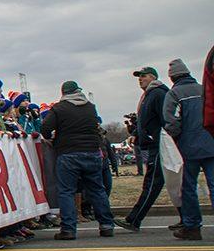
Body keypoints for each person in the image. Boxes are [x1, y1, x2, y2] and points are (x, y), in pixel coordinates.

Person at [41, 80, 114, 240]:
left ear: (64, 93)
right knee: (97, 189)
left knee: (67, 191)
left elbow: (45, 127)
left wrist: (50, 139)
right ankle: (106, 225)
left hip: (68, 152)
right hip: (92, 151)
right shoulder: (90, 107)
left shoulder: (59, 108)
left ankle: (68, 229)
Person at [162, 59, 214, 240]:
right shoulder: (203, 89)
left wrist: (175, 139)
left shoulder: (174, 94)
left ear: (172, 77)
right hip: (211, 143)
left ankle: (192, 226)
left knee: (188, 188)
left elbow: (172, 121)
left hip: (187, 147)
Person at [116, 66, 170, 232]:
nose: (140, 79)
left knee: (152, 183)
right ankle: (188, 219)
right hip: (155, 143)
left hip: (160, 145)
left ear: (153, 77)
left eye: (144, 76)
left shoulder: (158, 94)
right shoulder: (148, 95)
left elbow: (165, 119)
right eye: (139, 77)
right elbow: (145, 120)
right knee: (172, 183)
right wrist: (136, 133)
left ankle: (134, 219)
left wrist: (155, 136)